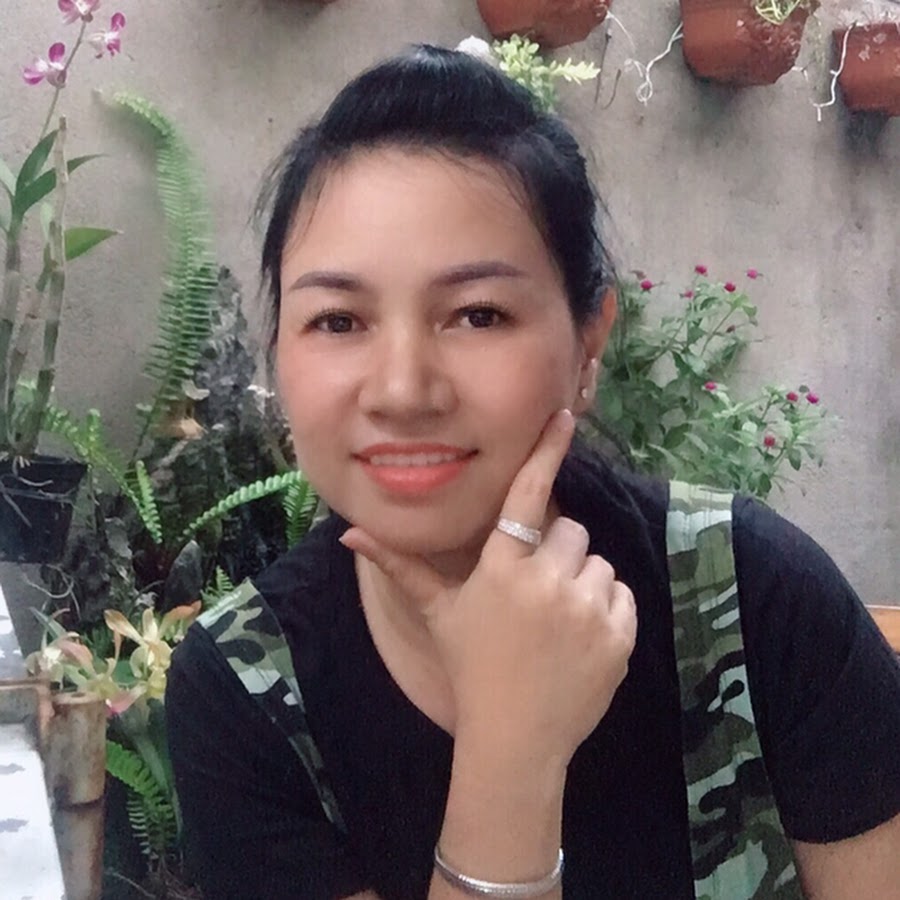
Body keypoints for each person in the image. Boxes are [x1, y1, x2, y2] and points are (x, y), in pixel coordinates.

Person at [165, 45, 900, 900]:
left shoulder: (750, 601)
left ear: (588, 344)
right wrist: (510, 747)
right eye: (338, 320)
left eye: (478, 314)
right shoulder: (248, 691)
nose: (402, 390)